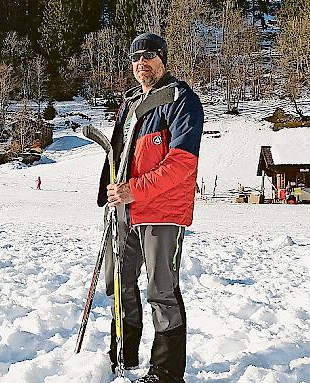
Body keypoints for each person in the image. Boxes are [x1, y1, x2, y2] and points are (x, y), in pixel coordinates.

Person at [98, 32, 203, 383]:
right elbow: (119, 156)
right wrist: (112, 195)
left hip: (162, 211)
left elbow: (182, 164)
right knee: (119, 283)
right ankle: (124, 355)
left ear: (163, 58)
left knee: (161, 289)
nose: (141, 63)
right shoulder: (130, 105)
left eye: (149, 56)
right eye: (135, 58)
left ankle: (166, 372)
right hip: (125, 211)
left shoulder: (181, 100)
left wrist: (134, 190)